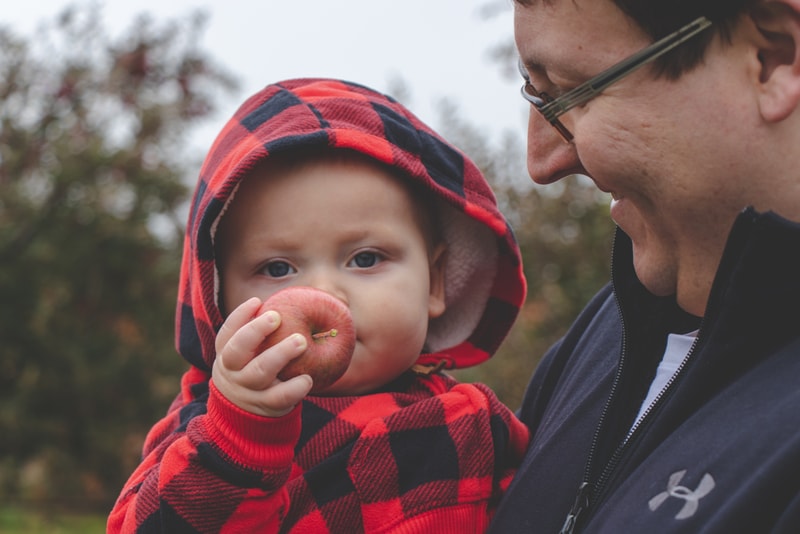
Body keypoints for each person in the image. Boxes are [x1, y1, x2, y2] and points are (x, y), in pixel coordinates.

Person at [107, 77, 529, 533]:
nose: (324, 294)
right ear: (219, 299)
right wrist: (239, 440)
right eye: (277, 269)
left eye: (366, 259)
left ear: (436, 282)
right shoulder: (206, 432)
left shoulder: (474, 426)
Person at [489, 0, 800, 532]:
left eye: (572, 93)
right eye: (537, 96)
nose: (541, 163)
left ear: (772, 58)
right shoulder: (610, 326)